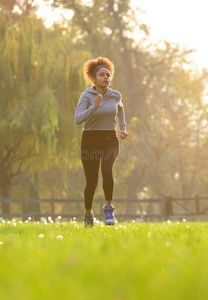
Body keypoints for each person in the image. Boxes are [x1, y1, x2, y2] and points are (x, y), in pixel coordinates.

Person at [74, 57, 128, 227]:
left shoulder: (115, 95)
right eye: (102, 75)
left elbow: (120, 109)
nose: (106, 77)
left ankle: (108, 209)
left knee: (107, 169)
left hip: (109, 139)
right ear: (94, 78)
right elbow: (77, 120)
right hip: (90, 139)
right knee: (91, 182)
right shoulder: (87, 96)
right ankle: (88, 214)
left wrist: (123, 127)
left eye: (108, 74)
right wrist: (94, 107)